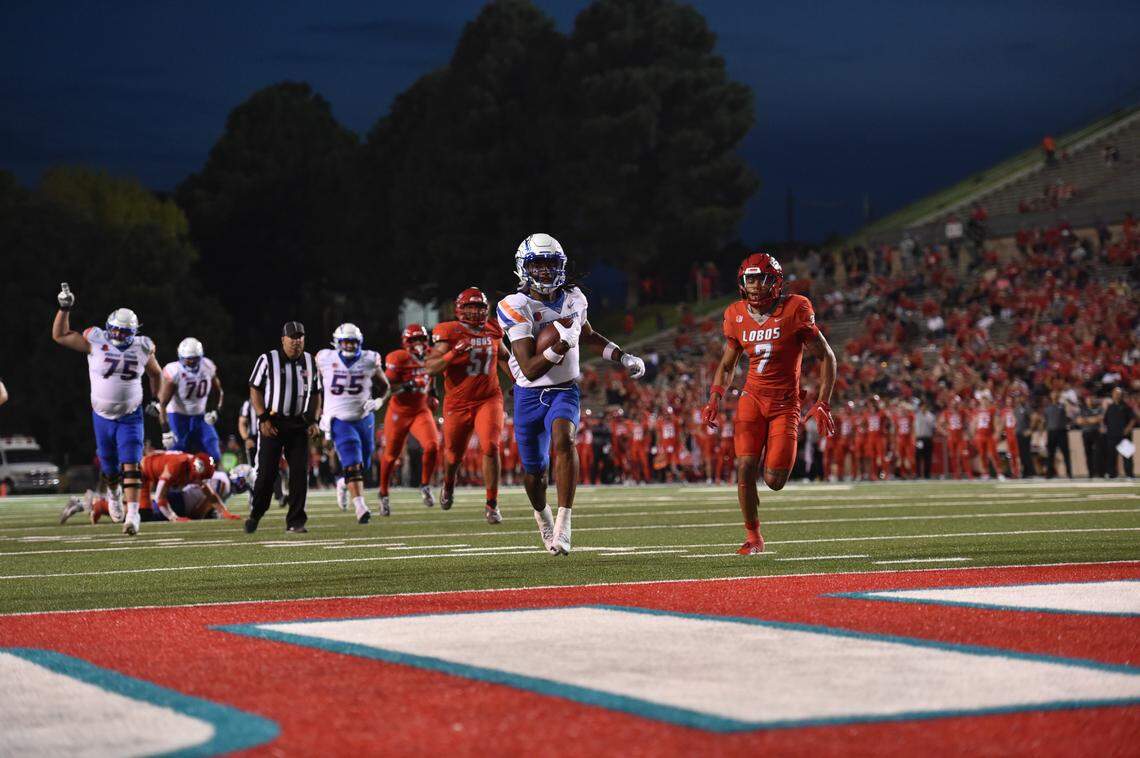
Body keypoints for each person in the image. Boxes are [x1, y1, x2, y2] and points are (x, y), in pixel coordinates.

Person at [497, 233, 646, 555]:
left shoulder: (574, 298)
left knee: (565, 440)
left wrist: (622, 356)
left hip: (564, 389)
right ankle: (543, 516)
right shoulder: (514, 305)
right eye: (538, 265)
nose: (546, 272)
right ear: (524, 268)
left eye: (551, 264)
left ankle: (565, 524)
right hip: (528, 394)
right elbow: (530, 367)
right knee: (535, 474)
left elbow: (589, 335)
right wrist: (562, 343)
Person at [702, 252, 837, 555]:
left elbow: (826, 355)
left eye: (760, 279)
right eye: (749, 279)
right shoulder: (736, 314)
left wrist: (823, 401)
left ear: (774, 281)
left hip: (785, 404)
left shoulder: (795, 308)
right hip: (752, 398)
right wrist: (714, 396)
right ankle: (753, 537)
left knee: (775, 480)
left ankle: (773, 458)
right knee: (745, 466)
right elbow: (727, 364)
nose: (754, 286)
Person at [52, 283, 162, 536]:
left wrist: (156, 400)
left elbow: (156, 373)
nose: (118, 336)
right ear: (108, 327)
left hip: (130, 416)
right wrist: (64, 308)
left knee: (131, 463)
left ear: (133, 332)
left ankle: (133, 515)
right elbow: (60, 335)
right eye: (114, 330)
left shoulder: (142, 347)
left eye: (123, 332)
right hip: (101, 416)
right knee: (110, 467)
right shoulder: (96, 340)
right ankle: (113, 493)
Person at [425, 287, 509, 523]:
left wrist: (519, 381)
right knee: (453, 457)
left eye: (479, 307)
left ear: (486, 309)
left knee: (491, 446)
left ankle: (492, 504)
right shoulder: (448, 331)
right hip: (458, 403)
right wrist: (453, 353)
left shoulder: (493, 328)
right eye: (470, 307)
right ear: (459, 309)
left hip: (488, 398)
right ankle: (449, 484)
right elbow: (431, 367)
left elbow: (503, 356)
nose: (474, 312)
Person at [245, 321, 322, 534]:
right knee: (267, 475)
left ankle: (296, 520)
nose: (296, 342)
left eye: (300, 337)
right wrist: (262, 418)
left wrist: (314, 420)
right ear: (283, 339)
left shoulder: (310, 361)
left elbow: (316, 393)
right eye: (292, 337)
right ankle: (256, 513)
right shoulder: (267, 359)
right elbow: (255, 389)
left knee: (299, 473)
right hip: (273, 423)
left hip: (298, 423)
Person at [316, 323, 389, 524]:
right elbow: (311, 381)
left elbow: (384, 386)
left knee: (363, 463)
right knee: (353, 459)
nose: (349, 346)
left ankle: (342, 481)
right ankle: (360, 506)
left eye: (352, 342)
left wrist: (379, 401)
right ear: (337, 343)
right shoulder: (324, 358)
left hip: (364, 417)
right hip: (339, 419)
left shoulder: (369, 359)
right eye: (345, 342)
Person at [378, 324, 439, 515]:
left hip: (420, 410)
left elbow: (433, 375)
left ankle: (425, 485)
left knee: (432, 446)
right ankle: (384, 494)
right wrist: (409, 384)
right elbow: (386, 388)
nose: (418, 343)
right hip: (399, 411)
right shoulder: (398, 358)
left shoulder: (433, 355)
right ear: (406, 342)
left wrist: (433, 393)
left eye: (420, 339)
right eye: (413, 340)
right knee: (391, 455)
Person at [155, 338, 224, 463]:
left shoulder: (207, 366)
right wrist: (165, 430)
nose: (191, 361)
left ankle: (208, 480)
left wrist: (216, 411)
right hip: (177, 416)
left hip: (200, 416)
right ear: (180, 356)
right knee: (177, 457)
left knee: (214, 453)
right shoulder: (175, 371)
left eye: (195, 358)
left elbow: (219, 392)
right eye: (188, 358)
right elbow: (163, 403)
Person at [1103, 387, 1136, 478]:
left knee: (1127, 455)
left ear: (1122, 395)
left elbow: (1133, 419)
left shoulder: (1126, 406)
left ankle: (1129, 474)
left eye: (1119, 394)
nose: (1117, 396)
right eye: (1115, 394)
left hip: (1124, 435)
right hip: (1112, 436)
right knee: (1111, 456)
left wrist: (1128, 428)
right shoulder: (1110, 407)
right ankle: (1112, 474)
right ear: (1112, 395)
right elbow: (1105, 420)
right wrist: (1104, 428)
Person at [1043, 390, 1072, 478]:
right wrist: (1045, 434)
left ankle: (1069, 473)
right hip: (1051, 432)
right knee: (1050, 453)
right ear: (1051, 397)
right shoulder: (1047, 408)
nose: (1055, 396)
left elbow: (1069, 414)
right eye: (1053, 394)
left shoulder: (1062, 406)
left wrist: (1065, 400)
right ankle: (1049, 473)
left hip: (1061, 431)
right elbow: (1046, 422)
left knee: (1065, 453)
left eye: (1056, 394)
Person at [914, 400, 936, 479]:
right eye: (922, 406)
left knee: (928, 457)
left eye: (925, 406)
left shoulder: (930, 416)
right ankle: (918, 474)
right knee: (918, 456)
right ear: (920, 407)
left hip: (928, 438)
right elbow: (914, 428)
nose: (923, 408)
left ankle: (927, 474)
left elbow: (933, 428)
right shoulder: (916, 416)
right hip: (919, 438)